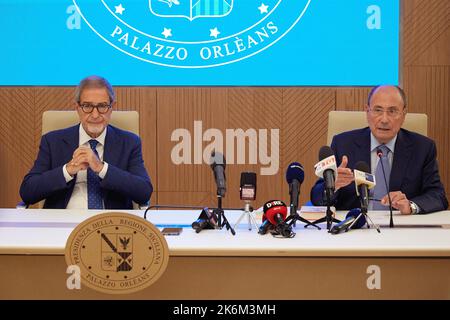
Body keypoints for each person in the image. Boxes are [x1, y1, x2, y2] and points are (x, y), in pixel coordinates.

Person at [20, 75, 152, 209]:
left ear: (112, 107)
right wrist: (68, 170)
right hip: (63, 223)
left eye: (102, 106)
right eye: (87, 106)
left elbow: (144, 192)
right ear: (77, 107)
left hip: (111, 224)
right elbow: (28, 192)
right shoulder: (53, 141)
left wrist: (101, 168)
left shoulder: (129, 142)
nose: (95, 115)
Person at [311, 85, 448, 214]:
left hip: (402, 229)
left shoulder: (423, 148)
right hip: (353, 228)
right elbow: (316, 198)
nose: (384, 119)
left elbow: (438, 196)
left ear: (404, 114)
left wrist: (411, 206)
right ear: (367, 111)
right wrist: (332, 185)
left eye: (392, 111)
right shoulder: (342, 144)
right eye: (377, 110)